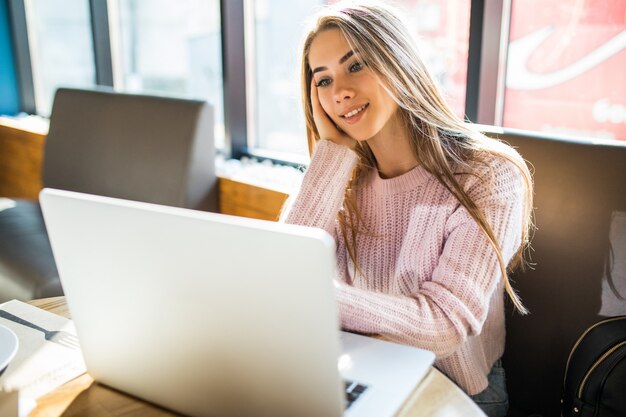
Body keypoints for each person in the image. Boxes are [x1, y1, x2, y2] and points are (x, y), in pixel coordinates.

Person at [282, 1, 534, 416]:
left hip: (454, 391)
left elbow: (445, 324)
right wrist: (331, 155)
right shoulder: (337, 174)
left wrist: (314, 298)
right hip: (356, 369)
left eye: (356, 65)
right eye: (322, 79)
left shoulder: (488, 175)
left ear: (399, 62)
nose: (339, 91)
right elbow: (285, 265)